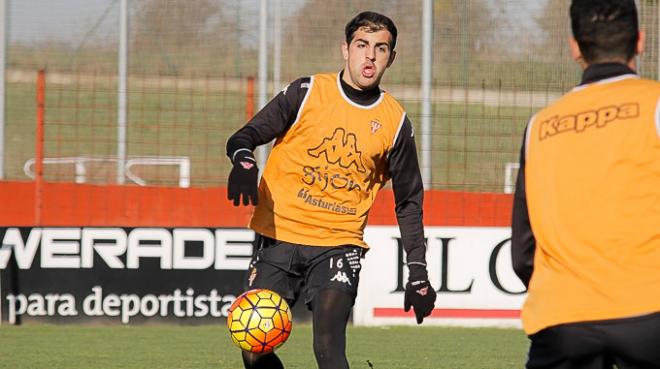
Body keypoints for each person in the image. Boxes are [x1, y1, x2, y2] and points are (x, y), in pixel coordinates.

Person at [225, 11, 436, 369]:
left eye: (380, 48)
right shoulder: (306, 93)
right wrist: (244, 161)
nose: (369, 56)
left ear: (391, 58)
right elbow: (244, 137)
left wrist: (418, 272)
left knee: (328, 347)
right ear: (345, 49)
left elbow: (409, 202)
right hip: (278, 235)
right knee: (254, 343)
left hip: (338, 244)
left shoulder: (394, 121)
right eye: (362, 45)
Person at [511, 0, 660, 368]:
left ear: (575, 46)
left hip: (562, 320)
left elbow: (523, 249)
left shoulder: (540, 126)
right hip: (649, 313)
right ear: (640, 41)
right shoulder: (655, 106)